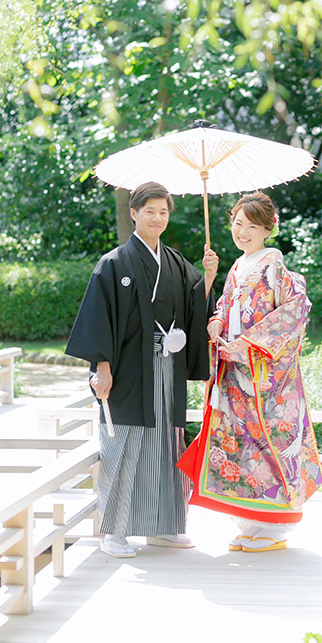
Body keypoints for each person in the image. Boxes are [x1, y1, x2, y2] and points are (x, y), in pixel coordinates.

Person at [65, 181, 219, 558]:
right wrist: (102, 367)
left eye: (163, 212)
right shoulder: (114, 263)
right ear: (133, 213)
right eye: (150, 211)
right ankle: (114, 531)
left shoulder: (176, 262)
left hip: (167, 366)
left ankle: (163, 526)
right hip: (129, 369)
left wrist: (209, 278)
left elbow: (195, 305)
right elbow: (100, 318)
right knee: (124, 444)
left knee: (166, 444)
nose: (157, 218)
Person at [178, 191, 322, 553]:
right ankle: (250, 523)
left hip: (265, 376)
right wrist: (215, 321)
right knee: (240, 445)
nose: (242, 233)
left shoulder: (274, 266)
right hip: (235, 372)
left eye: (252, 227)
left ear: (268, 230)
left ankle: (275, 527)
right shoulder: (237, 267)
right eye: (238, 224)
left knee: (269, 443)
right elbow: (226, 306)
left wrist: (248, 343)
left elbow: (292, 313)